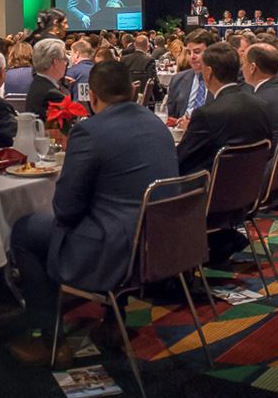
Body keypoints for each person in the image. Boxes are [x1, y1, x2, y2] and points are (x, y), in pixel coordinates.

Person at [9, 61, 178, 364]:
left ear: (93, 98)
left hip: (115, 250)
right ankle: (113, 322)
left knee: (24, 230)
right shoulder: (157, 125)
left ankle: (48, 339)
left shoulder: (90, 131)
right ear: (132, 89)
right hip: (162, 242)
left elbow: (66, 209)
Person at [176, 43, 271, 262]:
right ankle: (222, 240)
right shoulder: (261, 105)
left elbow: (180, 161)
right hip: (249, 194)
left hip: (211, 201)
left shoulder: (207, 114)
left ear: (208, 72)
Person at [165, 29, 214, 121]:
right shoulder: (178, 80)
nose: (192, 57)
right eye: (188, 52)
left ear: (211, 52)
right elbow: (171, 116)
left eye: (197, 52)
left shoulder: (222, 80)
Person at [25, 38, 68, 117]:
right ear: (55, 62)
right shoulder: (52, 94)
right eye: (65, 59)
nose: (66, 64)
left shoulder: (37, 82)